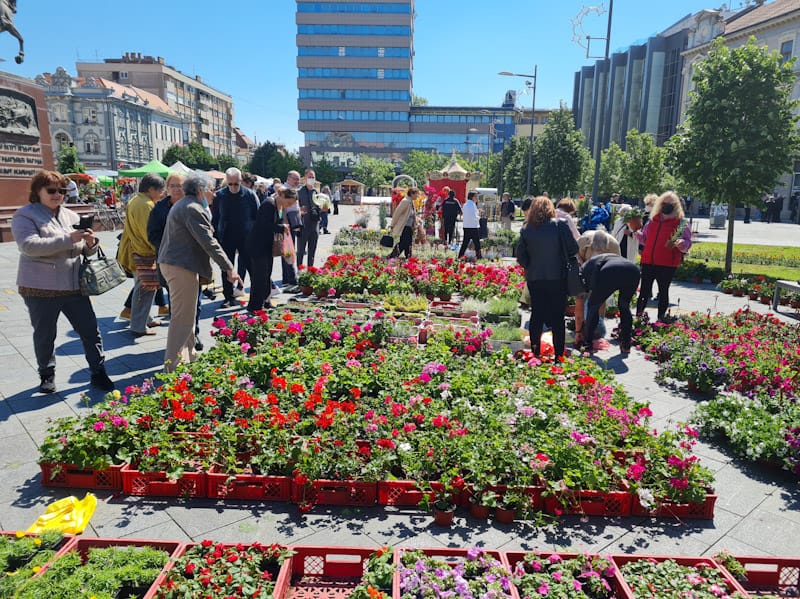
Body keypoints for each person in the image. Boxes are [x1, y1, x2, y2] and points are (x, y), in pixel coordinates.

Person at [11, 170, 114, 393]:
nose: (58, 194)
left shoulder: (71, 215)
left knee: (90, 330)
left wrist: (89, 243)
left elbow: (83, 250)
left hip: (73, 285)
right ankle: (46, 374)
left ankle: (98, 372)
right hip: (40, 287)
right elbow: (28, 246)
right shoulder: (25, 215)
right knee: (45, 333)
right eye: (51, 190)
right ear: (37, 191)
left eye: (62, 190)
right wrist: (68, 239)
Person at [159, 175, 239, 373]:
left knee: (187, 315)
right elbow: (209, 242)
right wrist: (229, 267)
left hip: (180, 265)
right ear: (201, 190)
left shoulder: (187, 205)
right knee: (182, 319)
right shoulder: (192, 208)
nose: (215, 194)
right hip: (181, 266)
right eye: (213, 189)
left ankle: (190, 357)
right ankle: (173, 368)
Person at [516, 196, 578, 358]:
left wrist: (531, 266)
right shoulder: (560, 225)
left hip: (535, 278)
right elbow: (573, 248)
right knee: (558, 316)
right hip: (558, 277)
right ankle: (558, 354)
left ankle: (535, 352)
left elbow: (521, 257)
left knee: (537, 314)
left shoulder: (526, 229)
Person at [118, 173, 165, 337]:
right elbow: (149, 233)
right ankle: (138, 325)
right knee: (144, 289)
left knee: (144, 287)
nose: (162, 194)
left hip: (136, 250)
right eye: (160, 191)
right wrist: (160, 250)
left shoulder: (136, 200)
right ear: (151, 189)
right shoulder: (146, 205)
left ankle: (145, 318)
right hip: (143, 252)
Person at [636, 191, 692, 323]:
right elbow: (644, 239)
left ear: (676, 205)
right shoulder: (652, 221)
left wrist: (682, 244)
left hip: (667, 263)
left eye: (671, 204)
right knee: (643, 291)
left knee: (663, 291)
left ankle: (661, 320)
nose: (667, 206)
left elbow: (687, 242)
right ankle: (638, 319)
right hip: (648, 260)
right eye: (664, 203)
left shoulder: (681, 223)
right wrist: (635, 231)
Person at [211, 167, 259, 307]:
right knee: (226, 267)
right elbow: (215, 217)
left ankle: (256, 296)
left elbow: (257, 216)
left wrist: (255, 237)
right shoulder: (219, 196)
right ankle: (228, 297)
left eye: (236, 184)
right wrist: (215, 236)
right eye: (230, 184)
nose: (233, 187)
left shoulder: (249, 195)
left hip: (246, 237)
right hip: (226, 236)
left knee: (252, 267)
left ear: (241, 181)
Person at [581, 253, 640, 354]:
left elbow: (588, 287)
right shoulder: (602, 258)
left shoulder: (585, 268)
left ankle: (588, 345)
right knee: (624, 306)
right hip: (633, 270)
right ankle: (626, 344)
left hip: (610, 271)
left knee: (593, 306)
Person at [574, 229, 621, 348]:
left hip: (603, 272)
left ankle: (597, 325)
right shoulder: (583, 241)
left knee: (600, 299)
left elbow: (616, 264)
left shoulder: (614, 245)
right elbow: (575, 254)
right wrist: (582, 264)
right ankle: (581, 327)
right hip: (584, 268)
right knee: (581, 298)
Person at [247, 187, 289, 312]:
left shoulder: (279, 206)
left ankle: (265, 300)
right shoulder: (268, 204)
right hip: (258, 245)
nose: (289, 205)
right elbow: (264, 225)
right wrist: (281, 227)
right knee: (259, 276)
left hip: (267, 245)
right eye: (289, 202)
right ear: (282, 196)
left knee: (266, 275)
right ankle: (255, 306)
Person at [280, 170, 303, 292]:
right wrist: (285, 221)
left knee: (289, 249)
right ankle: (289, 278)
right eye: (295, 179)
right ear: (289, 178)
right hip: (287, 221)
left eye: (298, 179)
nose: (297, 181)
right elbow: (282, 208)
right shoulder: (284, 190)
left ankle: (287, 277)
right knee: (287, 250)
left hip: (293, 220)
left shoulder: (293, 189)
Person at [297, 168, 321, 267]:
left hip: (314, 225)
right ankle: (299, 269)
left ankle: (310, 270)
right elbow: (293, 208)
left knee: (312, 250)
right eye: (309, 177)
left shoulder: (317, 193)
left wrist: (323, 209)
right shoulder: (299, 192)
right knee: (301, 250)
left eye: (313, 177)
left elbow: (321, 208)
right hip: (303, 225)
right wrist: (299, 211)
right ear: (305, 178)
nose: (311, 179)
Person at [388, 187, 418, 259]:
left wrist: (415, 224)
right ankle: (394, 256)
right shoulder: (405, 201)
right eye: (416, 194)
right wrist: (392, 225)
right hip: (404, 226)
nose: (417, 196)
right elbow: (397, 213)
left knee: (407, 242)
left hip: (409, 227)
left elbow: (413, 215)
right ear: (412, 194)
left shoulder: (411, 202)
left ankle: (407, 256)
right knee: (404, 242)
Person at [458, 190, 482, 260]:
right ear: (472, 197)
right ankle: (479, 257)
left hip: (467, 226)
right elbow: (473, 216)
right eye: (476, 196)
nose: (477, 198)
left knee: (465, 243)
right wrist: (479, 216)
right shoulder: (472, 204)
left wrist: (477, 212)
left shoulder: (466, 204)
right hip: (473, 227)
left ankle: (460, 256)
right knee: (477, 243)